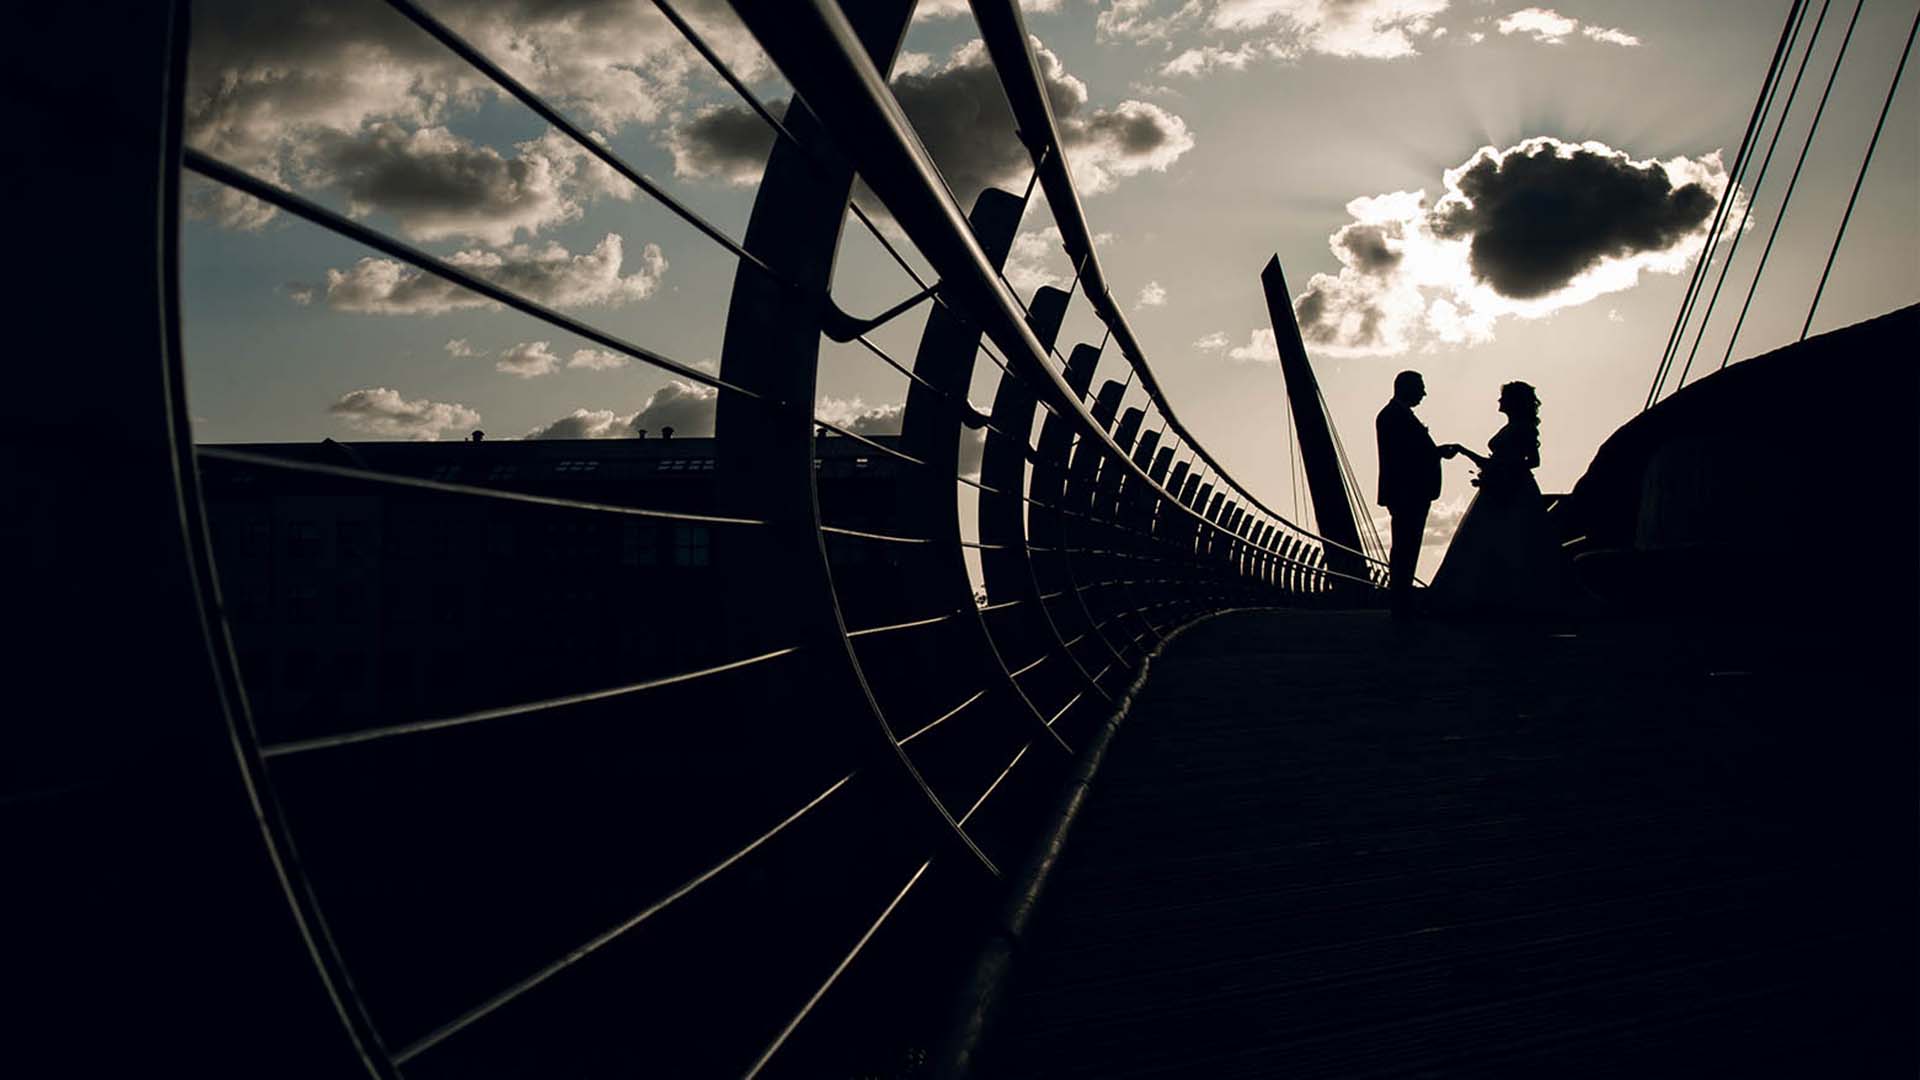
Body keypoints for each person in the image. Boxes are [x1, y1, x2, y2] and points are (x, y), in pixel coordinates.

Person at [1430, 381, 1565, 616]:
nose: (1499, 401)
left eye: (1503, 398)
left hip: (1514, 489)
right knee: (1492, 542)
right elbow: (1494, 462)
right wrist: (1464, 451)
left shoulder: (1523, 428)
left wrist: (1505, 471)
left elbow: (1533, 461)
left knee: (1510, 541)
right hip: (1502, 485)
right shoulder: (1512, 427)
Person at [1375, 370, 1455, 617]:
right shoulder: (1394, 417)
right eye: (1420, 388)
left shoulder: (1395, 415)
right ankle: (1401, 601)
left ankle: (1402, 598)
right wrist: (1437, 453)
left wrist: (1435, 452)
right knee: (1406, 546)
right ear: (1406, 387)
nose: (1423, 393)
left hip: (1407, 491)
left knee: (1407, 545)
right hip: (1408, 492)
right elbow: (1406, 457)